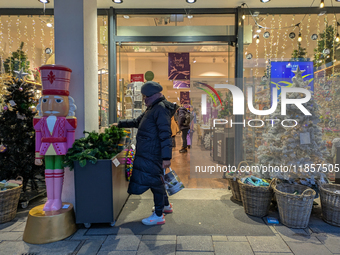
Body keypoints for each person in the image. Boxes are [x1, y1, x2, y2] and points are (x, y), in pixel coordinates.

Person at [117, 81, 177, 225]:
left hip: (153, 153)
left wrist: (166, 157)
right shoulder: (152, 108)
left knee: (155, 182)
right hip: (149, 152)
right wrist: (120, 123)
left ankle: (158, 215)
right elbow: (138, 122)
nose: (144, 99)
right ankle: (166, 206)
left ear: (155, 95)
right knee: (157, 180)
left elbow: (165, 134)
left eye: (146, 96)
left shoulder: (160, 109)